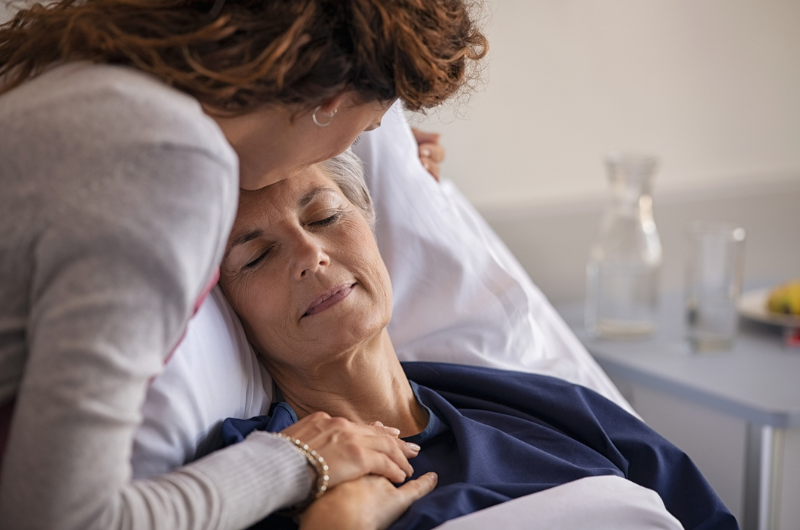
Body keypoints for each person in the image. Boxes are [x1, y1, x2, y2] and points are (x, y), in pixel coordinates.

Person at [0, 0, 487, 528]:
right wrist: (299, 460)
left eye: (324, 215)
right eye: (367, 127)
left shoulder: (84, 91)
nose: (356, 144)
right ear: (329, 100)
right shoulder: (167, 168)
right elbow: (64, 519)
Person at [216, 151, 740, 530]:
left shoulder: (546, 407)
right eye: (256, 256)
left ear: (371, 226)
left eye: (326, 216)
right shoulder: (261, 473)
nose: (311, 254)